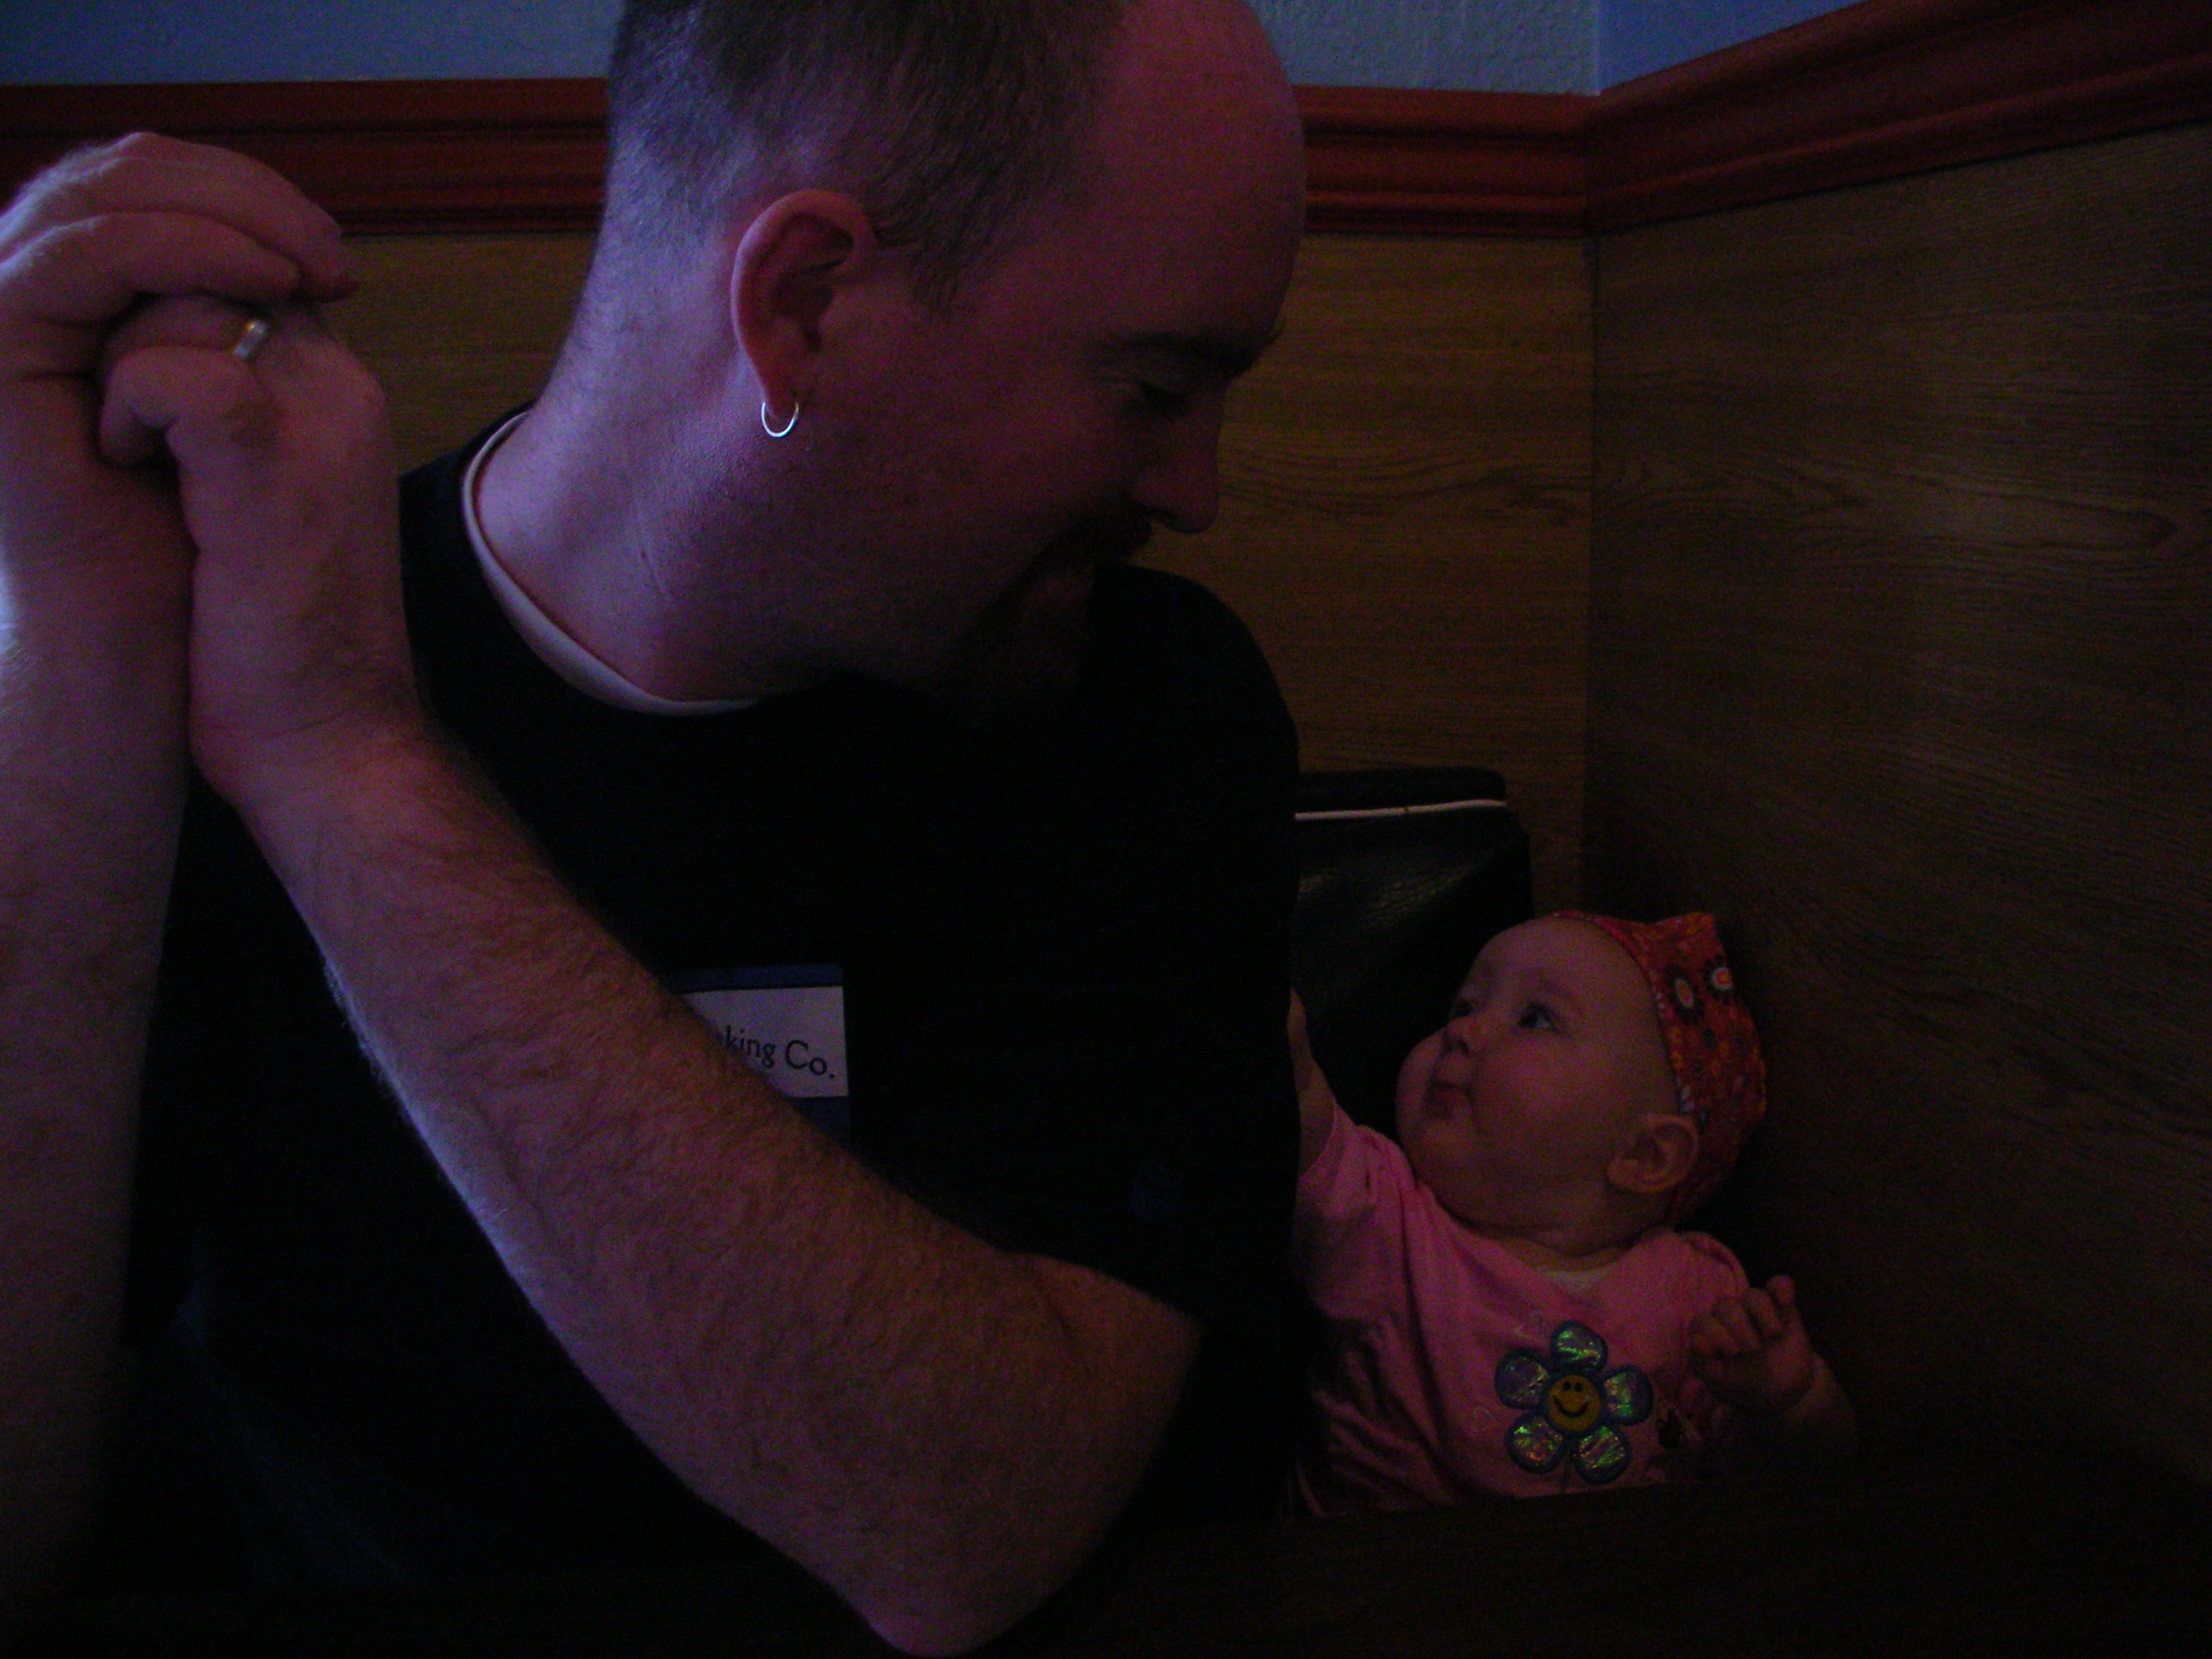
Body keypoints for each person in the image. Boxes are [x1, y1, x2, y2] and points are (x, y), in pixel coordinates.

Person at [0, 1, 1309, 1650]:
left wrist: (345, 760)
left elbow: (967, 1519)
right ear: (807, 302)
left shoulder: (1140, 711)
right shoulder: (217, 648)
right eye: (1156, 386)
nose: (1197, 489)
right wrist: (73, 661)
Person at [1288, 912, 1856, 1514]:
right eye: (1464, 1005)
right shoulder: (1387, 1218)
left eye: (1535, 1018)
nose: (1462, 1030)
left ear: (1646, 1155)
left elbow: (1809, 1481)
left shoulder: (1696, 1297)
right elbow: (1294, 1103)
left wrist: (1792, 1400)